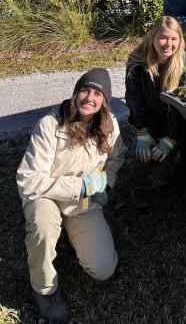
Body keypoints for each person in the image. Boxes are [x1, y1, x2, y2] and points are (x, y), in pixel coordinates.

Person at [16, 68, 127, 324]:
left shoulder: (110, 124)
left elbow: (117, 157)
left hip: (83, 203)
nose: (89, 97)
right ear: (75, 94)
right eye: (84, 90)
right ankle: (44, 291)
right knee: (43, 228)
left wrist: (105, 184)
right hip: (46, 197)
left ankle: (72, 236)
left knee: (103, 270)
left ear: (104, 101)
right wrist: (81, 187)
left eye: (97, 93)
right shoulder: (49, 124)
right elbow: (28, 179)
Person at [125, 15, 186, 209]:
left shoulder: (184, 61)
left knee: (160, 175)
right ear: (152, 37)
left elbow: (185, 106)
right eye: (163, 38)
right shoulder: (137, 59)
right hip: (149, 117)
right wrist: (142, 132)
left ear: (180, 40)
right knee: (142, 155)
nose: (168, 44)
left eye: (174, 39)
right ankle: (138, 189)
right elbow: (133, 98)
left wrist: (172, 137)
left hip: (175, 121)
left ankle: (167, 171)